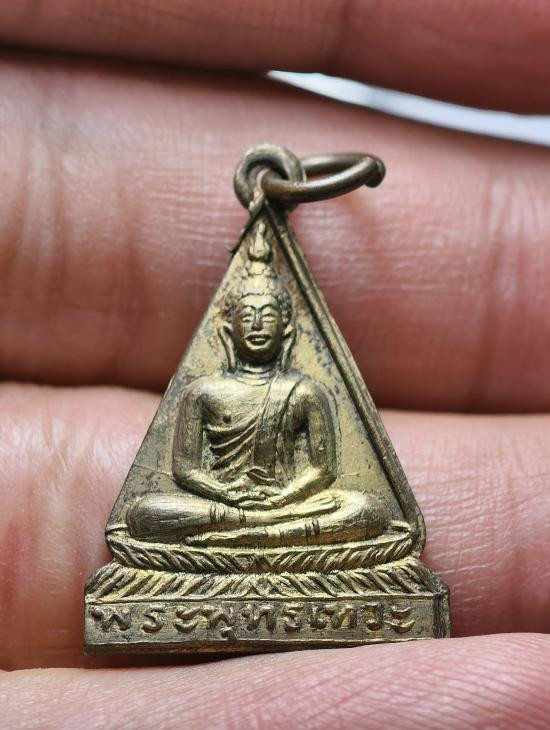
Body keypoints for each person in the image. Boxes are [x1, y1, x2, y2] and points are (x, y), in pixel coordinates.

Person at [0, 3, 549, 728]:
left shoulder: (301, 388)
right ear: (229, 327)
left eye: (269, 316)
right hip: (219, 513)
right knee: (145, 517)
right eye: (248, 316)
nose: (258, 324)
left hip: (292, 513)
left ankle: (243, 552)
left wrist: (279, 502)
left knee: (365, 511)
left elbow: (321, 474)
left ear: (288, 328)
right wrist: (228, 507)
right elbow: (185, 470)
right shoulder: (207, 389)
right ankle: (247, 548)